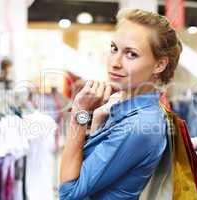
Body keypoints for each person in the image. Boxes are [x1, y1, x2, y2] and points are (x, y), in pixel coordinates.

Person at [59, 8, 182, 200]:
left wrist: (79, 114)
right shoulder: (123, 108)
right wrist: (98, 121)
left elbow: (69, 193)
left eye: (131, 54)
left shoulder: (139, 125)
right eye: (114, 48)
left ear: (159, 65)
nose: (115, 62)